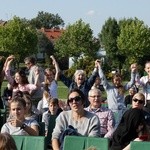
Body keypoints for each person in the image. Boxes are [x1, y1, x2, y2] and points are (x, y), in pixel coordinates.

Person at [97, 61, 136, 126]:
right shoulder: (109, 88)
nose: (117, 82)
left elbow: (131, 83)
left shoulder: (123, 88)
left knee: (121, 126)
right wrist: (99, 67)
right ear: (113, 80)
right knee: (112, 126)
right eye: (116, 80)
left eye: (119, 80)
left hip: (122, 111)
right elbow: (103, 78)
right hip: (112, 111)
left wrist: (133, 72)